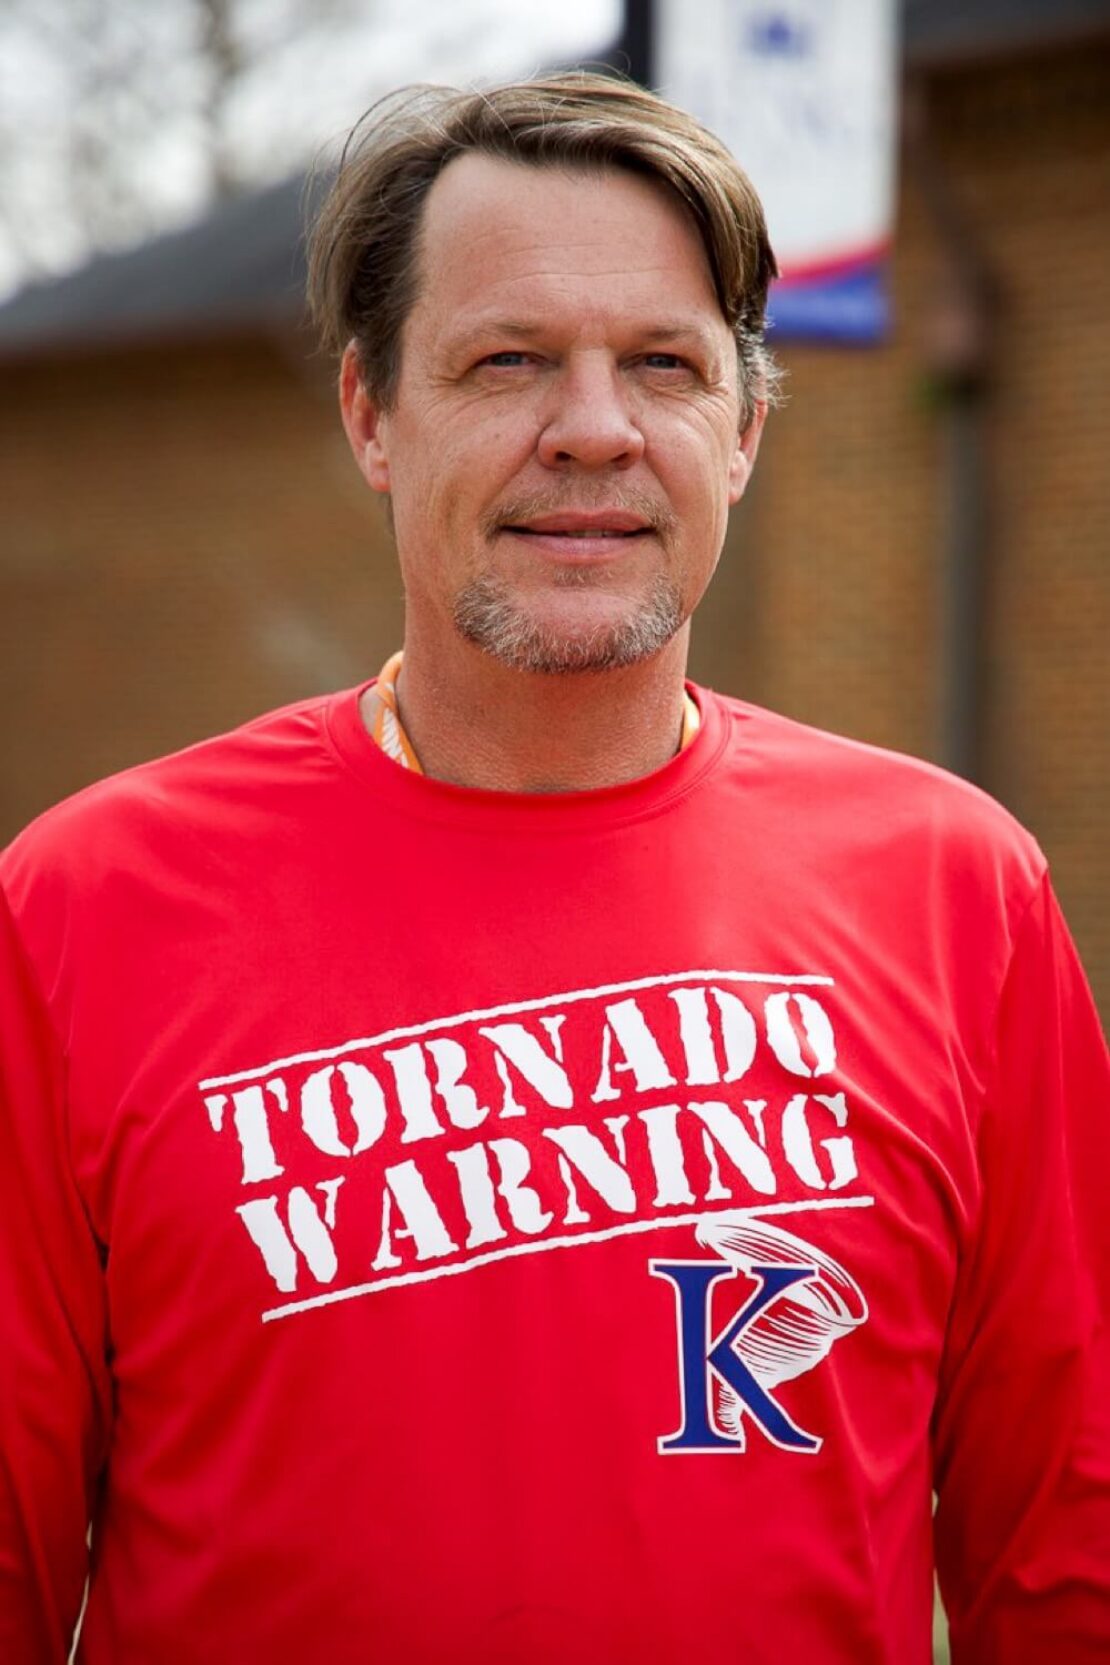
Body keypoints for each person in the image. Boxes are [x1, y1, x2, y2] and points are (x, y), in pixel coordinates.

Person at [0, 71, 1107, 1665]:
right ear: (373, 416)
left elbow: (1063, 1540)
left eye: (662, 364)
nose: (590, 428)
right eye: (504, 359)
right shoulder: (84, 908)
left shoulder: (955, 892)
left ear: (739, 431)